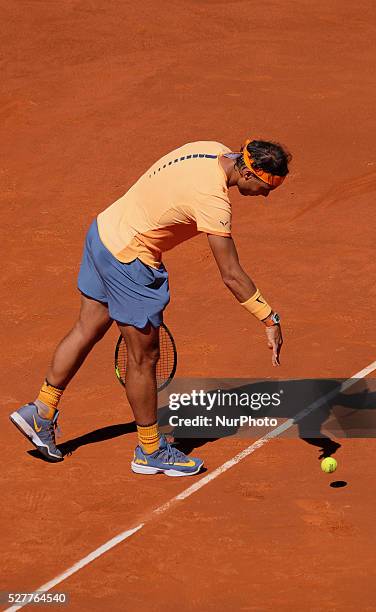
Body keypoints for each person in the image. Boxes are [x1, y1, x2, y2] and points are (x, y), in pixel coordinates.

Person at [10, 139, 291, 476]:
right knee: (144, 359)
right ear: (248, 172)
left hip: (104, 233)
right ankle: (150, 450)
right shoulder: (213, 200)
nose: (266, 195)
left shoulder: (209, 147)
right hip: (131, 260)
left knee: (87, 327)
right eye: (265, 187)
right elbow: (231, 274)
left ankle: (41, 410)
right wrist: (268, 317)